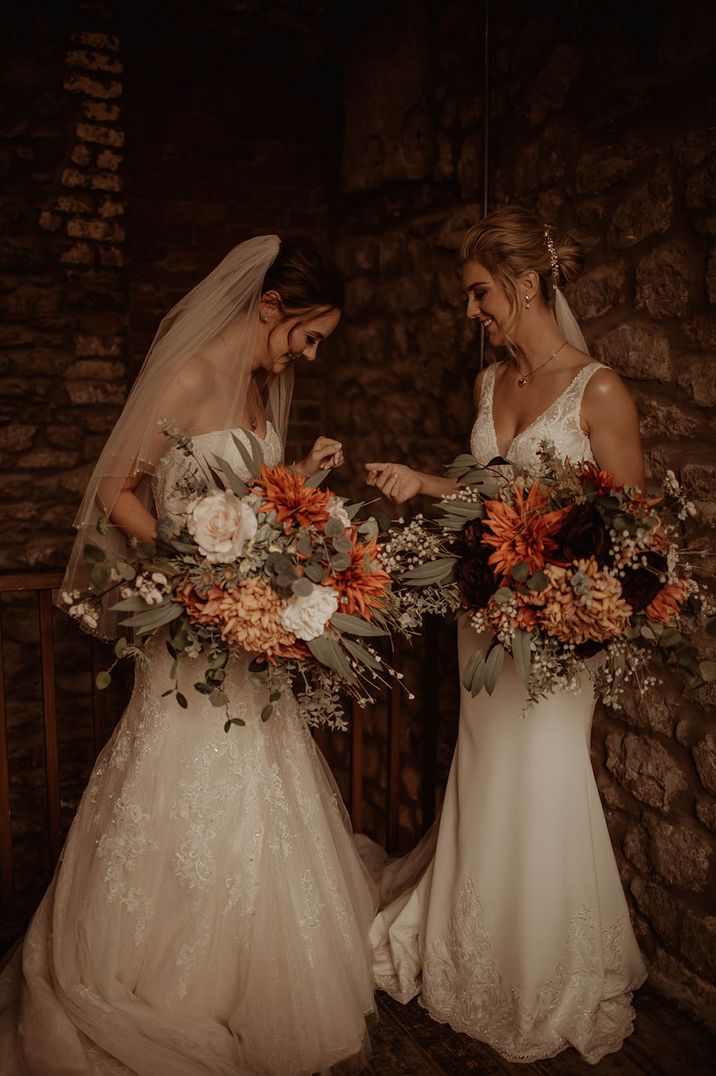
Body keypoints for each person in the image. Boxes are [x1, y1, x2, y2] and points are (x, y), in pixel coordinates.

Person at [0, 235, 378, 1075]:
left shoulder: (260, 385)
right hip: (189, 628)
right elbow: (113, 492)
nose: (308, 357)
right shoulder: (190, 375)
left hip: (243, 632)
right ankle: (164, 986)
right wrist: (191, 564)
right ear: (271, 306)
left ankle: (258, 981)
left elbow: (250, 502)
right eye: (307, 336)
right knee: (180, 772)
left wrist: (296, 501)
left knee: (257, 780)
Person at [362, 205, 647, 1065]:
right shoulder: (488, 388)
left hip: (557, 633)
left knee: (546, 775)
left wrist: (563, 595)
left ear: (527, 285)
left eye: (481, 292)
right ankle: (468, 943)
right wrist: (422, 482)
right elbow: (485, 503)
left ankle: (545, 967)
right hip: (485, 623)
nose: (472, 309)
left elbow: (632, 532)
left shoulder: (598, 390)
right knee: (483, 773)